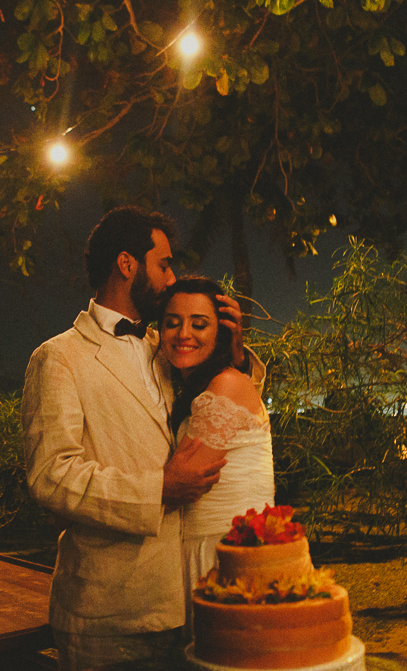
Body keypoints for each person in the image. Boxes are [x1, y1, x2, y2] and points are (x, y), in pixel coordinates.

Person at [22, 206, 263, 670]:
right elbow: (51, 476)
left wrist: (230, 357)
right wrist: (158, 489)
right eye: (165, 264)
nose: (173, 280)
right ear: (127, 264)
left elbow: (219, 418)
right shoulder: (59, 358)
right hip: (109, 614)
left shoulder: (168, 347)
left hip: (191, 599)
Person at [158, 276, 274, 632]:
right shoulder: (201, 385)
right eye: (172, 322)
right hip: (201, 547)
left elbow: (187, 479)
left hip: (223, 553)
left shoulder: (226, 384)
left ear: (222, 331)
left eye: (199, 323)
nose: (183, 334)